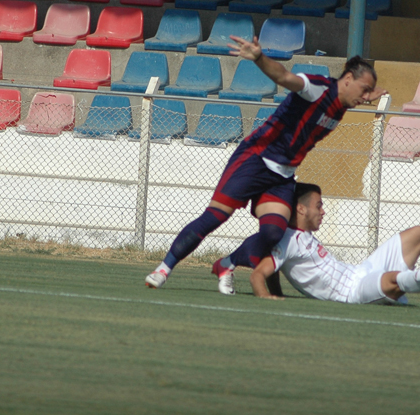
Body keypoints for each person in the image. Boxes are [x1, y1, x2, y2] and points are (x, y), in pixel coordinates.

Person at [145, 42, 387, 289]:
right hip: (255, 159)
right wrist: (259, 57)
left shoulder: (340, 108)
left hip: (282, 176)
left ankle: (227, 263)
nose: (366, 97)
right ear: (348, 79)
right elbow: (284, 77)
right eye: (364, 89)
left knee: (273, 233)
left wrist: (367, 92)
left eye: (369, 92)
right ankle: (163, 269)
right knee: (215, 217)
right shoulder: (318, 88)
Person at [243, 183, 420, 305]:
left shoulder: (301, 236)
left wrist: (277, 291)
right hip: (352, 293)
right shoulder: (287, 240)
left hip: (360, 271)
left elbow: (274, 270)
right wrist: (268, 299)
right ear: (300, 209)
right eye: (319, 206)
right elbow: (258, 275)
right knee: (391, 280)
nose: (323, 211)